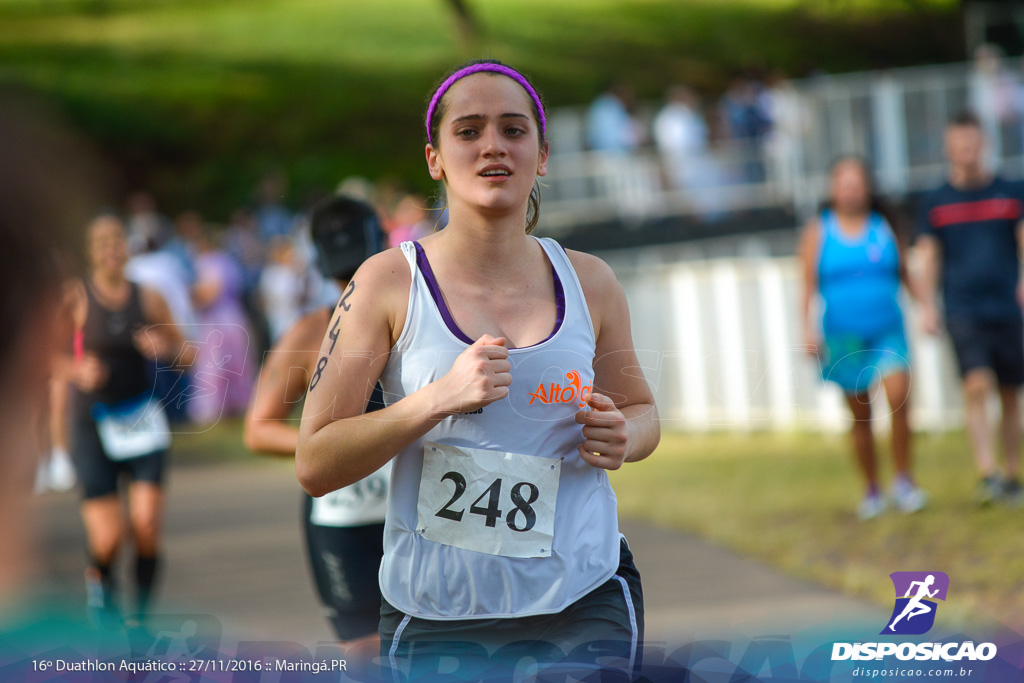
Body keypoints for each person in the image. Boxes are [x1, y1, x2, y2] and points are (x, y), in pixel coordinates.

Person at [296, 60, 659, 677]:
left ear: (542, 155)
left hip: (584, 597)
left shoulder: (590, 280)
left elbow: (642, 411)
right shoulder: (386, 283)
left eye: (514, 130)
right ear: (434, 157)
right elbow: (315, 462)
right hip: (437, 614)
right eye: (469, 131)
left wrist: (625, 436)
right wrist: (435, 399)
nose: (493, 145)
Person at [244, 195, 388, 655]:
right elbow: (258, 429)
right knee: (367, 654)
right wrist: (332, 446)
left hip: (416, 515)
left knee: (430, 652)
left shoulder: (420, 322)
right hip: (342, 524)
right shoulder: (309, 333)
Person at [67, 214, 190, 627]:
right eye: (101, 241)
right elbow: (44, 355)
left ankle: (139, 619)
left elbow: (189, 353)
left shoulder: (149, 296)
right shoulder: (76, 297)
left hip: (141, 417)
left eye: (117, 239)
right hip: (93, 421)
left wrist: (164, 346)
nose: (110, 248)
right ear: (89, 251)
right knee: (108, 537)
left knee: (147, 524)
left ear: (127, 246)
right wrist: (74, 370)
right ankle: (100, 584)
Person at [800, 157, 926, 520]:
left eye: (857, 183)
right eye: (844, 183)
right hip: (842, 336)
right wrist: (807, 328)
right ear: (833, 189)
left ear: (867, 187)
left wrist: (927, 307)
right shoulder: (819, 231)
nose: (851, 190)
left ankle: (904, 481)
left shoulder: (883, 226)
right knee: (861, 416)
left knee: (900, 398)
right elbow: (806, 284)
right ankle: (872, 488)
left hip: (888, 328)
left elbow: (905, 272)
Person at [917, 111, 1024, 506]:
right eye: (959, 143)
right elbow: (929, 255)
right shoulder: (937, 200)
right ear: (949, 148)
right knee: (976, 385)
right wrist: (926, 305)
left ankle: (1011, 474)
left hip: (1007, 308)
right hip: (963, 308)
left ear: (985, 145)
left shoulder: (1011, 192)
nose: (967, 151)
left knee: (1010, 393)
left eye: (973, 143)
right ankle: (987, 471)